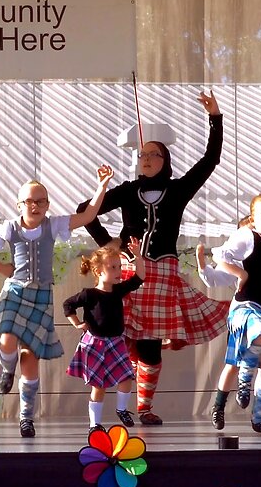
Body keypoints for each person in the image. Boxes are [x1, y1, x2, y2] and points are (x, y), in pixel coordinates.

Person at [76, 92, 230, 425]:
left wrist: (214, 117)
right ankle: (119, 406)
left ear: (165, 160)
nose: (145, 159)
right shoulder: (128, 190)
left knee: (148, 346)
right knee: (120, 337)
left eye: (153, 154)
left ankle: (142, 407)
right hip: (130, 272)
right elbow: (85, 212)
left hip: (162, 273)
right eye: (142, 154)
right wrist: (110, 247)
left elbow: (210, 161)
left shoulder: (177, 189)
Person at [0, 167, 114, 438]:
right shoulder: (10, 228)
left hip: (40, 296)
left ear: (47, 205)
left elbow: (87, 216)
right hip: (14, 291)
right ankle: (6, 368)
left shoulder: (54, 225)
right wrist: (2, 268)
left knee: (31, 356)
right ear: (19, 204)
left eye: (40, 201)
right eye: (29, 201)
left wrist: (102, 187)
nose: (35, 206)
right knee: (6, 339)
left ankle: (26, 417)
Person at [209, 179, 261, 437]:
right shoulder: (247, 236)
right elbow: (219, 255)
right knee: (250, 341)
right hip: (247, 308)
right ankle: (228, 396)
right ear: (253, 218)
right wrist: (240, 274)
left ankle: (260, 418)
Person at [63, 237, 146, 434]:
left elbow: (139, 277)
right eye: (113, 268)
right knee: (98, 386)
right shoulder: (89, 294)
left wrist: (138, 256)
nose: (118, 272)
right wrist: (77, 323)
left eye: (119, 267)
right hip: (95, 343)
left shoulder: (118, 291)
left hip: (116, 342)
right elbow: (68, 305)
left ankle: (122, 409)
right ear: (99, 271)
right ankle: (95, 424)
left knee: (126, 377)